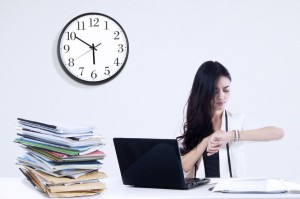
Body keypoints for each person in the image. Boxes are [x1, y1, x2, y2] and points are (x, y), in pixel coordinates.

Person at [177, 61, 284, 178]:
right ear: (203, 91)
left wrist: (232, 135)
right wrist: (205, 142)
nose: (221, 96)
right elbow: (181, 166)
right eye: (214, 91)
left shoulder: (237, 121)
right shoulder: (191, 124)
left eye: (226, 90)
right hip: (203, 194)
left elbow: (278, 133)